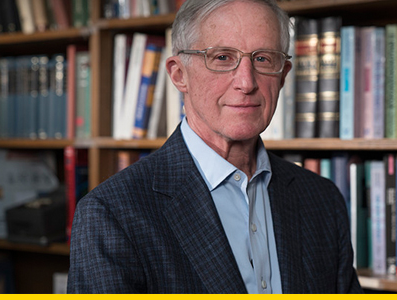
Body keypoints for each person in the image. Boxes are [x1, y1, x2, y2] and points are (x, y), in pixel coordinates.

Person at [68, 0, 361, 293]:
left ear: (283, 75)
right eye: (222, 57)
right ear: (179, 74)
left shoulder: (323, 201)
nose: (246, 83)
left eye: (262, 59)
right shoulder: (111, 214)